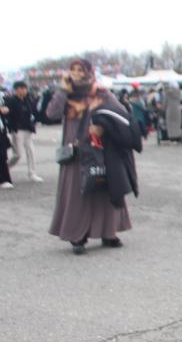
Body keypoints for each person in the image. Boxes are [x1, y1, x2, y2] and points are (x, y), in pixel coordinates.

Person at [47, 59, 142, 254]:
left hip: (99, 146)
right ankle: (77, 234)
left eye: (80, 70)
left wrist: (103, 126)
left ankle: (108, 231)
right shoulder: (65, 93)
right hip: (75, 150)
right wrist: (63, 90)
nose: (76, 73)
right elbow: (51, 114)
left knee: (103, 189)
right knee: (77, 191)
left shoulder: (100, 92)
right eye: (72, 69)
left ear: (88, 72)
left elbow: (120, 113)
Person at [3, 81, 43, 182]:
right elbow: (7, 116)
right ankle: (4, 169)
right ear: (16, 90)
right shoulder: (11, 101)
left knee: (31, 151)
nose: (24, 91)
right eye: (21, 89)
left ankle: (32, 173)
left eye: (25, 88)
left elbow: (34, 111)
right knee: (17, 154)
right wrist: (10, 128)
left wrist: (35, 121)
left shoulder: (28, 100)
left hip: (28, 129)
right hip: (17, 130)